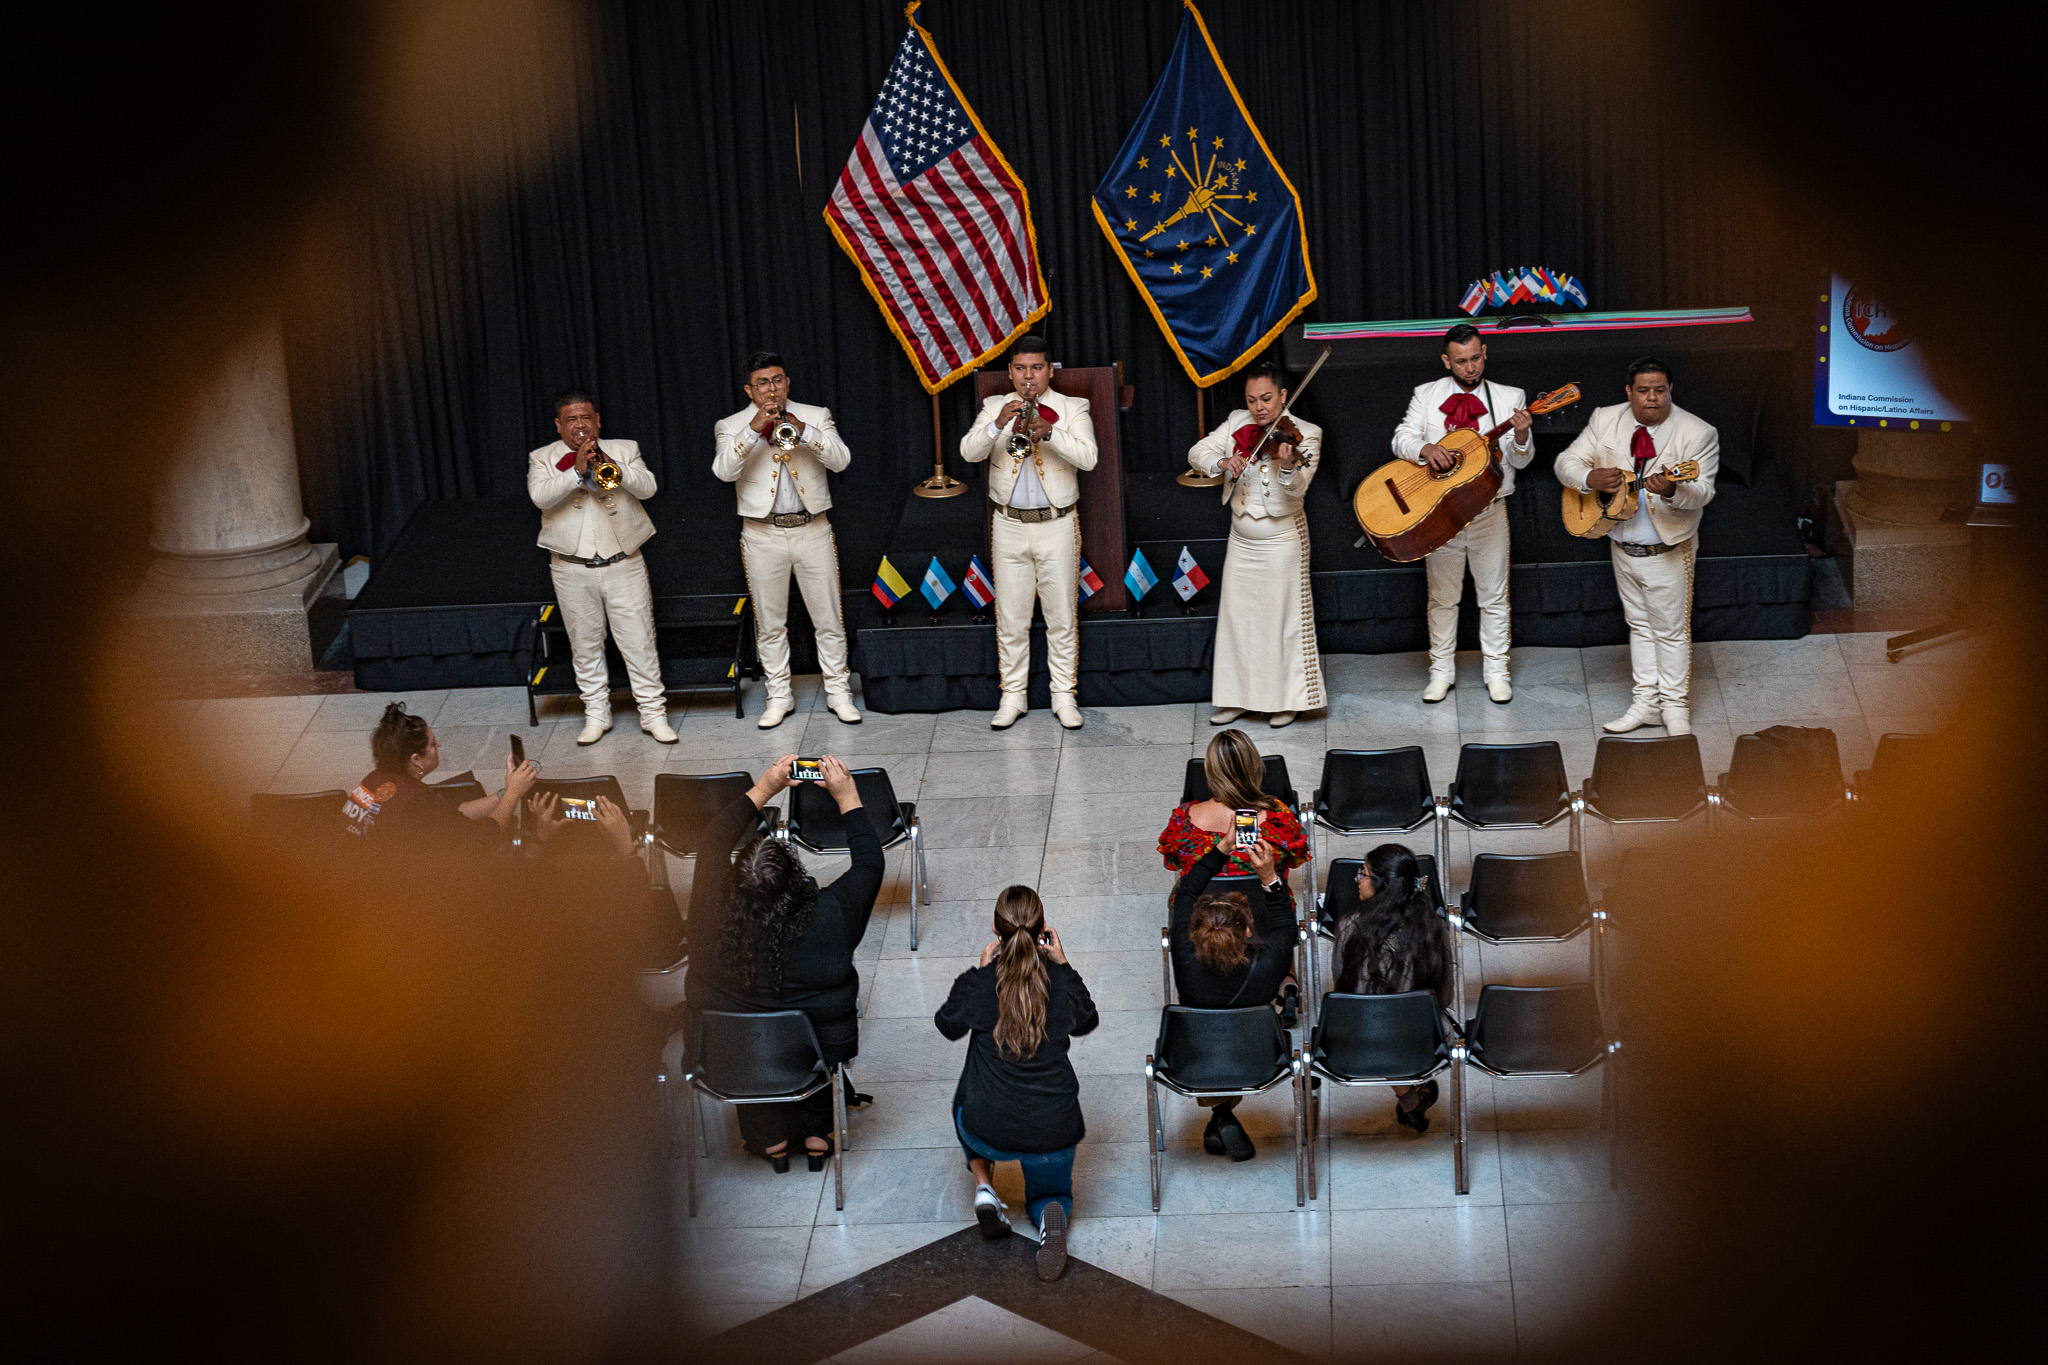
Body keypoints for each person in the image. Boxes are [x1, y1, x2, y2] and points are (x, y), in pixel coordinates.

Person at [688, 756, 880, 1172]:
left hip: (727, 1054)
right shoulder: (828, 915)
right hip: (812, 1056)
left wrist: (766, 786)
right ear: (797, 882)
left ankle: (769, 1138)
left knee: (752, 1031)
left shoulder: (710, 910)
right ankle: (816, 1131)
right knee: (805, 1036)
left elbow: (712, 841)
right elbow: (869, 864)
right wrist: (847, 797)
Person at [935, 886, 1097, 1282]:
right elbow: (1088, 1021)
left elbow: (947, 1025)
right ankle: (1050, 1211)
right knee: (1049, 1190)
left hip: (988, 1128)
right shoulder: (1058, 983)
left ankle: (985, 1187)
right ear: (1044, 931)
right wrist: (1062, 964)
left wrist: (979, 972)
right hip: (1053, 1132)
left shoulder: (979, 985)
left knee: (966, 1091)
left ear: (996, 931)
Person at [1553, 357, 1720, 736]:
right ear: (1628, 392)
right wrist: (1589, 477)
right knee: (1640, 627)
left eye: (1659, 390)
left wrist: (1676, 488)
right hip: (1621, 546)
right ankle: (1646, 703)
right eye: (1643, 391)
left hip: (1668, 550)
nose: (1651, 398)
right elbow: (1566, 463)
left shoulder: (1698, 433)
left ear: (1670, 390)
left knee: (1671, 632)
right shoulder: (1604, 418)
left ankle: (1675, 709)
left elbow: (1704, 492)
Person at [712, 351, 861, 731]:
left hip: (813, 528)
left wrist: (804, 430)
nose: (771, 388)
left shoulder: (815, 414)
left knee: (828, 616)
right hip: (762, 533)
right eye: (763, 383)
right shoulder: (731, 425)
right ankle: (778, 695)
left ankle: (838, 691)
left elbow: (841, 460)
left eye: (777, 380)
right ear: (750, 389)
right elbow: (724, 472)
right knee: (770, 622)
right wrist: (753, 430)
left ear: (787, 383)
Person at [959, 336, 1098, 732]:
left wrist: (1050, 431)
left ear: (1050, 371)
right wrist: (999, 424)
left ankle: (1063, 695)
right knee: (1011, 618)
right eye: (1020, 369)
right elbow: (969, 452)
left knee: (1061, 617)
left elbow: (1090, 458)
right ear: (1010, 372)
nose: (1028, 377)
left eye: (1036, 368)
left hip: (1057, 522)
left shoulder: (1074, 407)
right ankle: (1012, 696)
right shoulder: (992, 407)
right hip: (1009, 524)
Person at [1391, 324, 1535, 704]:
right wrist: (1425, 449)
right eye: (1461, 361)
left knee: (1493, 597)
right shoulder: (1426, 394)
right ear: (1446, 361)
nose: (1470, 368)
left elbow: (1521, 459)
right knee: (1442, 598)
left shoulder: (1509, 396)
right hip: (1442, 515)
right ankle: (1441, 672)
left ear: (1484, 353)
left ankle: (1497, 672)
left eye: (1475, 358)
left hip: (1489, 512)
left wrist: (1521, 437)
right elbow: (1400, 438)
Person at [527, 389, 677, 747]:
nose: (579, 425)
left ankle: (654, 715)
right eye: (571, 419)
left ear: (597, 421)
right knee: (585, 644)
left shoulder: (625, 448)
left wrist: (616, 466)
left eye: (585, 418)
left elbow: (649, 489)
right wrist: (577, 471)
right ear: (559, 425)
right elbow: (541, 497)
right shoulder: (542, 458)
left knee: (639, 641)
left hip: (623, 563)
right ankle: (597, 715)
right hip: (571, 568)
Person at [1187, 360, 1325, 728]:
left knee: (1282, 622)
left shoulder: (1305, 433)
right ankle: (1237, 698)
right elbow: (1196, 453)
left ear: (1283, 395)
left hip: (1281, 539)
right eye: (1252, 400)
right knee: (1239, 621)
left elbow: (1299, 487)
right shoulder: (1237, 422)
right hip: (1241, 537)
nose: (1259, 408)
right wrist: (1222, 460)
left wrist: (1287, 465)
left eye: (1266, 398)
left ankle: (1285, 701)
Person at [1169, 834, 1298, 1160]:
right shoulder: (1271, 963)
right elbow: (1286, 925)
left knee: (1207, 1036)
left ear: (1193, 933)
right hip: (1258, 1058)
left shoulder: (1183, 955)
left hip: (1196, 1058)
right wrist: (1269, 876)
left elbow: (1186, 891)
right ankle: (1221, 1118)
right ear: (1250, 932)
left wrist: (1220, 849)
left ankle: (1221, 1116)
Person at [1331, 843, 1450, 1132]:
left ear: (1383, 885)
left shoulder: (1349, 927)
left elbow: (1342, 987)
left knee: (1378, 1020)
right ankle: (1409, 1099)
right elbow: (1444, 996)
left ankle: (1409, 1099)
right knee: (1396, 1022)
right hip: (1422, 1038)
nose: (1357, 879)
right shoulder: (1434, 928)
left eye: (1365, 874)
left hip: (1360, 1037)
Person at [344, 703, 537, 848]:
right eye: (433, 743)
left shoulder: (375, 778)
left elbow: (453, 815)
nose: (438, 746)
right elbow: (483, 839)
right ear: (416, 759)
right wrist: (512, 795)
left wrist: (505, 792)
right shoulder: (417, 801)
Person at [1157, 729, 1309, 881]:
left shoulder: (1183, 820)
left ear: (1210, 770)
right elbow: (1295, 859)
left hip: (1199, 904)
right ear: (1255, 767)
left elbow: (1173, 863)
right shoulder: (1278, 816)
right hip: (1265, 903)